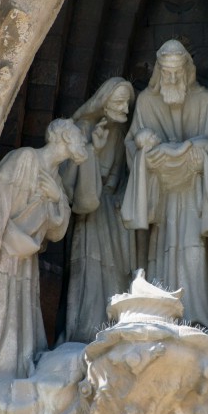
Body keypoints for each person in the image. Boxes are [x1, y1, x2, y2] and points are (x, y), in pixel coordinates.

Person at [0, 118, 88, 377]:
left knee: (18, 308)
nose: (83, 141)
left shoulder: (56, 182)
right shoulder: (26, 158)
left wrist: (55, 199)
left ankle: (13, 367)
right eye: (78, 135)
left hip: (25, 256)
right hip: (4, 247)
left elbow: (56, 231)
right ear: (62, 136)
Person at [122, 40, 208, 342]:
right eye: (165, 74)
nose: (170, 80)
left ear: (187, 71)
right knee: (161, 250)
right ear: (158, 72)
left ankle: (198, 318)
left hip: (195, 192)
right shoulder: (146, 102)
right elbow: (130, 147)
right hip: (162, 194)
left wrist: (201, 153)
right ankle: (162, 315)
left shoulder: (204, 100)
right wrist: (141, 143)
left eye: (176, 74)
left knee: (195, 252)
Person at [63, 77, 135, 343]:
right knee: (90, 269)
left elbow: (120, 175)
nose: (124, 108)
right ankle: (87, 328)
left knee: (116, 270)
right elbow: (67, 178)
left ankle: (115, 323)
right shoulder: (82, 127)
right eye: (118, 102)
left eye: (127, 103)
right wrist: (94, 149)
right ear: (103, 101)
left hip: (110, 209)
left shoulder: (120, 132)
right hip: (89, 210)